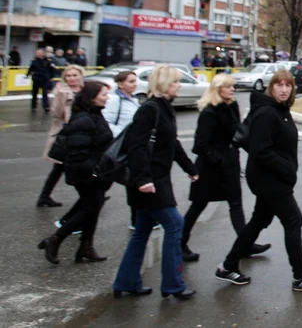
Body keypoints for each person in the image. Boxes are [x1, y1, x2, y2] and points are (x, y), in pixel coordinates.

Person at [216, 70, 302, 294]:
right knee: (293, 220)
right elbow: (260, 150)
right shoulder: (267, 113)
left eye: (288, 85)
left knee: (259, 220)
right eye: (279, 85)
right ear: (271, 87)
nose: (284, 90)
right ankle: (301, 276)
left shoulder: (280, 110)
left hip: (273, 177)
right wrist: (286, 169)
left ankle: (228, 266)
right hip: (269, 179)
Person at [112, 65, 198, 300]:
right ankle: (173, 284)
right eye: (175, 82)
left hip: (155, 180)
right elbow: (136, 147)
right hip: (149, 182)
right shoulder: (150, 109)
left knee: (141, 232)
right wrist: (143, 179)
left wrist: (190, 169)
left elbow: (172, 143)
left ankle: (126, 281)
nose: (179, 85)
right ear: (163, 84)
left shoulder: (164, 107)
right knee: (175, 225)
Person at [181, 74, 270, 262]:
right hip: (210, 167)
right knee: (198, 205)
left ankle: (245, 244)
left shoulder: (231, 106)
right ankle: (180, 243)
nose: (233, 89)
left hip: (230, 164)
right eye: (228, 86)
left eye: (233, 86)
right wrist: (219, 160)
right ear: (218, 88)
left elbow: (237, 134)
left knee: (235, 204)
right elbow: (200, 145)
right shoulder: (209, 111)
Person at [37, 82, 113, 265]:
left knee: (93, 208)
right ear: (92, 97)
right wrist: (92, 170)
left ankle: (86, 247)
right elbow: (77, 152)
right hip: (85, 174)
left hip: (95, 172)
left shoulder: (94, 114)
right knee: (91, 207)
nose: (107, 98)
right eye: (103, 94)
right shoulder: (83, 120)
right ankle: (55, 239)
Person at [36, 65, 84, 207]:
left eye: (75, 75)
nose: (72, 78)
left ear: (81, 76)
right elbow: (55, 113)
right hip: (67, 132)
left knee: (64, 167)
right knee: (62, 166)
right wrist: (61, 96)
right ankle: (90, 197)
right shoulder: (62, 91)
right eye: (68, 76)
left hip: (83, 130)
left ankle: (44, 196)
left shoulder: (85, 90)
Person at [101, 70, 141, 229]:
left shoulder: (133, 99)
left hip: (129, 148)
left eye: (135, 81)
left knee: (132, 182)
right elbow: (107, 122)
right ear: (120, 84)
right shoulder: (115, 100)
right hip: (119, 147)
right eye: (131, 81)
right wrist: (123, 136)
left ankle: (136, 220)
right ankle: (75, 219)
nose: (135, 84)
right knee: (104, 184)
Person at [27, 48, 55, 113]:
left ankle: (46, 106)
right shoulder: (34, 61)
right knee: (34, 93)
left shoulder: (48, 61)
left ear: (43, 53)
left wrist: (51, 77)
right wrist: (27, 75)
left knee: (45, 94)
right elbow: (31, 68)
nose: (37, 54)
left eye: (39, 53)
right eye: (37, 53)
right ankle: (33, 106)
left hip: (45, 79)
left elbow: (52, 70)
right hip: (36, 79)